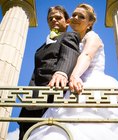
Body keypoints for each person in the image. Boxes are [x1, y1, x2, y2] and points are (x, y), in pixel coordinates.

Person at [28, 3, 118, 140]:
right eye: (74, 15)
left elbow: (86, 55)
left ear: (90, 22)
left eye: (81, 16)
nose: (75, 17)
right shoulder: (73, 39)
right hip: (72, 88)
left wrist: (74, 76)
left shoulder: (92, 36)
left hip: (90, 84)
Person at [18, 5, 80, 140]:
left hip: (54, 96)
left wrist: (62, 72)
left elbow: (69, 54)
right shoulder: (41, 47)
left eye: (58, 17)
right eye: (50, 19)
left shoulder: (69, 36)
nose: (54, 20)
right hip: (32, 101)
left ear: (67, 21)